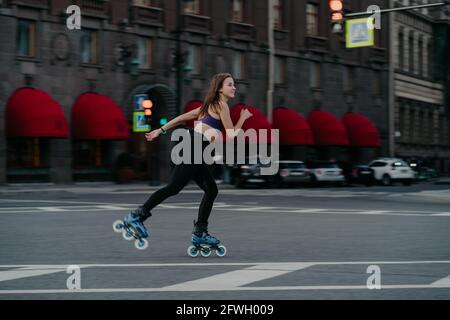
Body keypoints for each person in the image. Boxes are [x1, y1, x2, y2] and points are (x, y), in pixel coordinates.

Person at [122, 73, 253, 248]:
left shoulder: (208, 107)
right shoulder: (221, 105)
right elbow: (231, 135)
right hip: (194, 148)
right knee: (174, 187)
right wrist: (243, 119)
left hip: (196, 150)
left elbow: (181, 118)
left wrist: (160, 130)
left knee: (211, 190)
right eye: (230, 84)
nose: (234, 87)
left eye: (234, 84)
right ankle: (137, 216)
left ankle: (200, 232)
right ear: (220, 88)